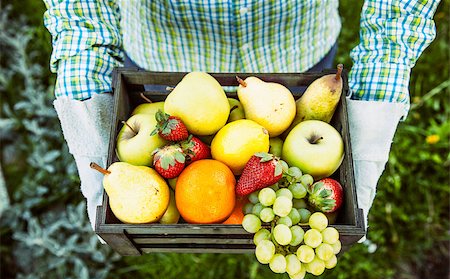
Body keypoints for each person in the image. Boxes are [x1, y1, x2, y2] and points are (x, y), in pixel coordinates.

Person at [43, 0, 440, 240]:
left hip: (300, 58)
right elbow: (79, 9)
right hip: (162, 69)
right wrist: (88, 107)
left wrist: (375, 105)